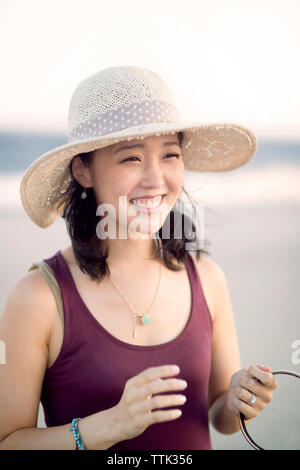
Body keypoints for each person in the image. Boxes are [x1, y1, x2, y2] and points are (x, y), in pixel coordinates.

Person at [0, 66, 277, 450]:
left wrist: (237, 401)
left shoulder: (207, 278)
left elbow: (219, 417)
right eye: (131, 158)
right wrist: (108, 426)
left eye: (170, 155)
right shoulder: (38, 298)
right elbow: (9, 441)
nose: (155, 178)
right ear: (84, 170)